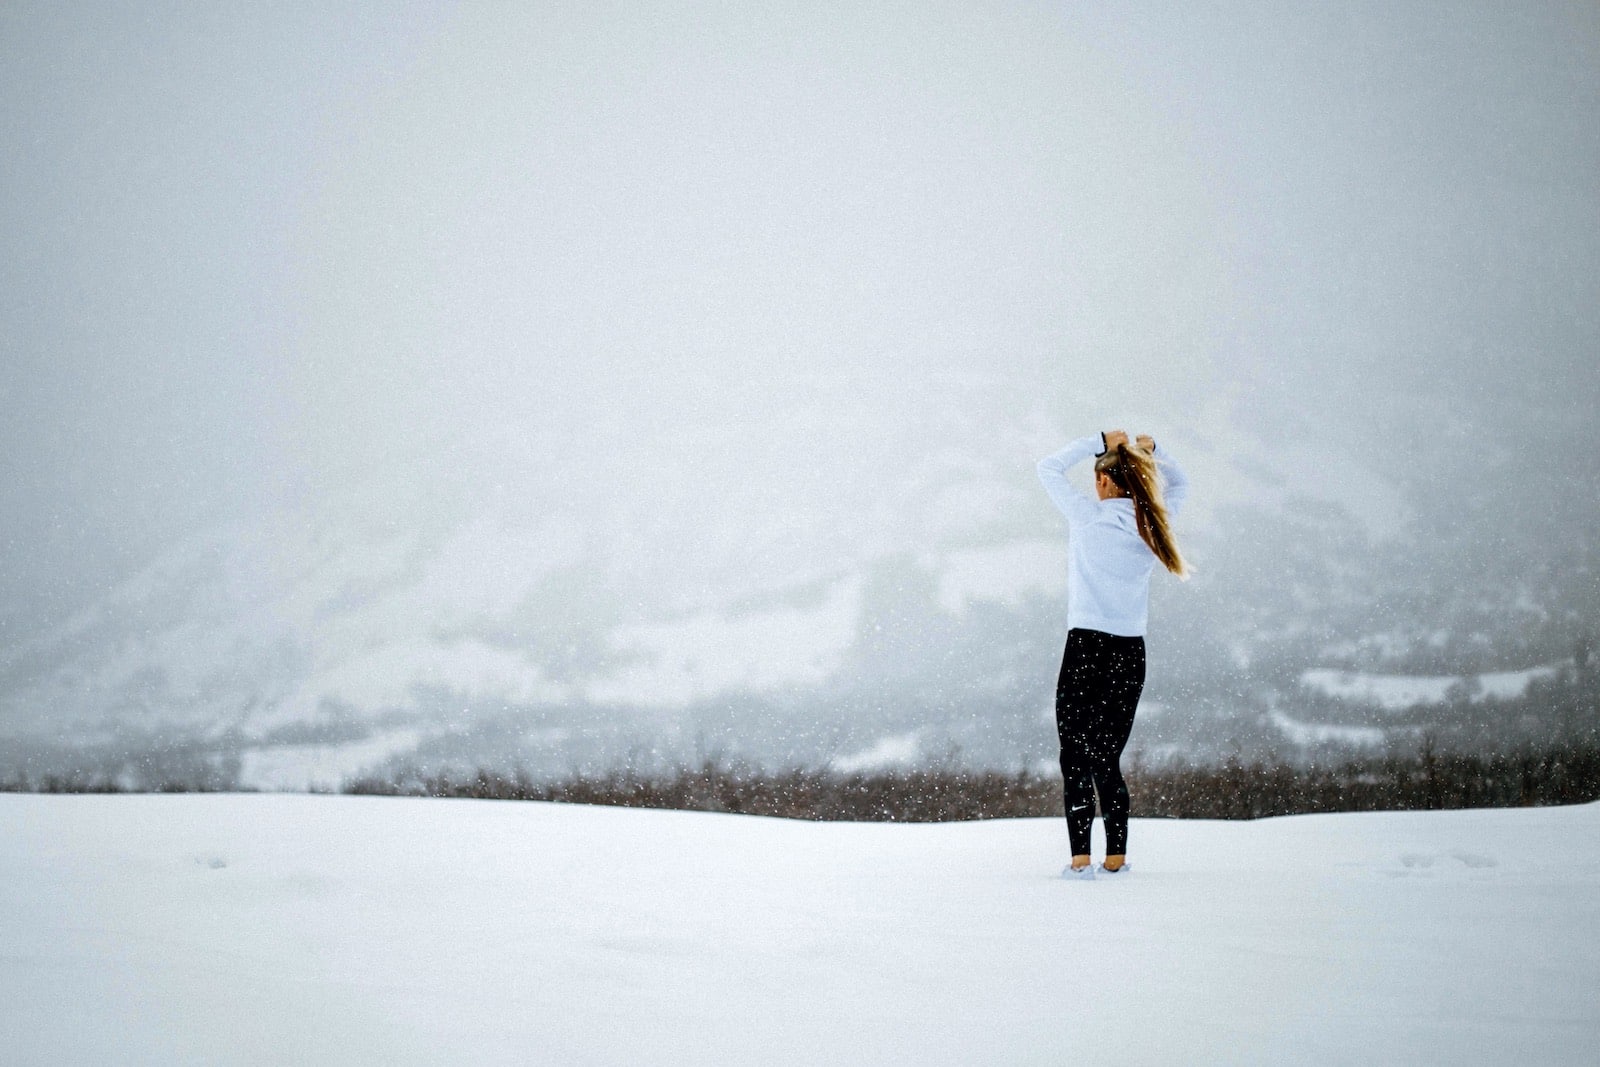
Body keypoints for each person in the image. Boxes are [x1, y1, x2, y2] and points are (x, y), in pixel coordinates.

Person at [1036, 429, 1189, 878]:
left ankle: (1081, 859)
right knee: (1107, 758)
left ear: (1104, 484)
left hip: (1085, 647)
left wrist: (1098, 439)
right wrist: (1155, 449)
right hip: (1129, 652)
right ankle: (1116, 857)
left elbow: (1046, 468)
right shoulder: (1151, 523)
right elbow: (1182, 484)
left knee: (1075, 756)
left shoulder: (1087, 518)